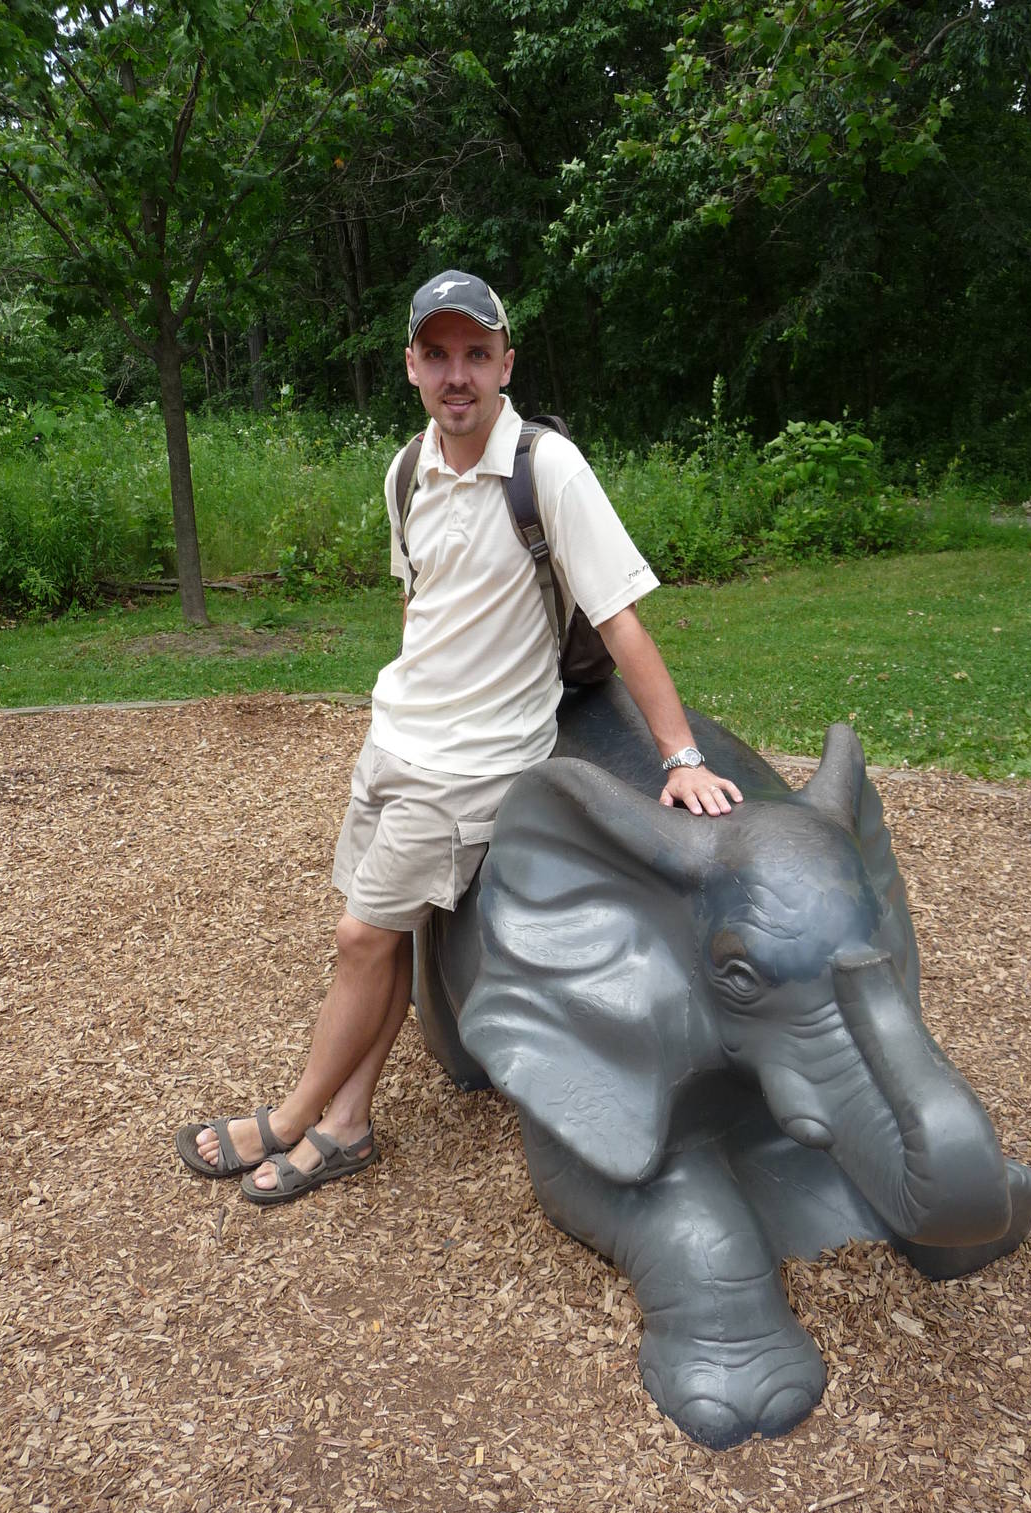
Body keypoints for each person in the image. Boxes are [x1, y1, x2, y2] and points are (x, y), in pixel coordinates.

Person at [176, 269, 743, 1204]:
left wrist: (680, 757)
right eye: (437, 355)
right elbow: (420, 603)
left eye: (476, 354)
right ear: (410, 366)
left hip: (474, 763)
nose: (457, 376)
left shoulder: (546, 468)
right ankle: (349, 1126)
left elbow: (620, 617)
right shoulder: (407, 469)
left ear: (506, 363)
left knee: (360, 935)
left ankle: (287, 1117)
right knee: (384, 935)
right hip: (399, 738)